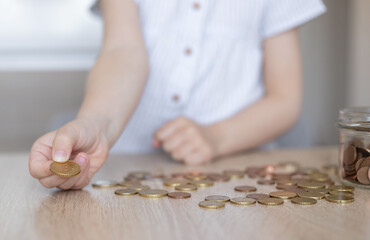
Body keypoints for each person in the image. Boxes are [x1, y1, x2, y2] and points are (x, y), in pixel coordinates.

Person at [29, 0, 326, 189]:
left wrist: (217, 136)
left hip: (238, 174)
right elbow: (123, 51)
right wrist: (96, 125)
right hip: (126, 167)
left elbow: (285, 99)